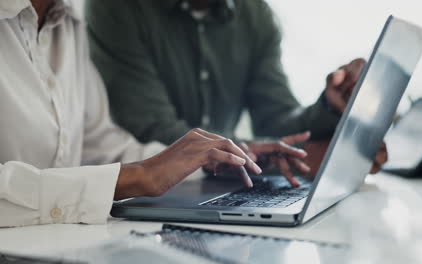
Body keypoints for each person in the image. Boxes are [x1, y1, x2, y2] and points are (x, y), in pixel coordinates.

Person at [0, 0, 311, 227]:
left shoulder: (69, 20)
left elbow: (99, 146)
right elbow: (129, 170)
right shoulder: (113, 12)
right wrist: (134, 178)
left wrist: (207, 162)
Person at [85, 0, 387, 174]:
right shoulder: (116, 8)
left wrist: (330, 107)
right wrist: (301, 157)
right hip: (135, 200)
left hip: (225, 185)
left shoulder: (255, 14)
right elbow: (156, 132)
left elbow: (276, 119)